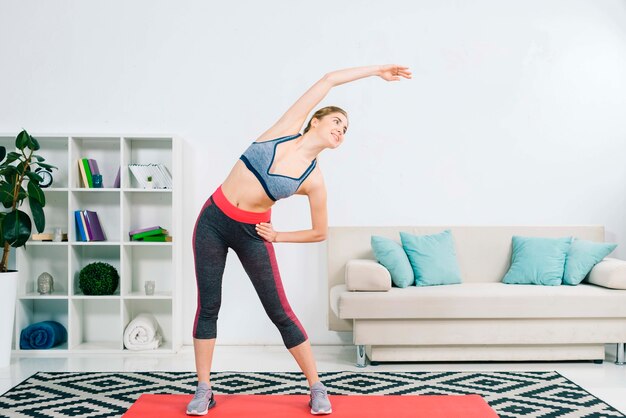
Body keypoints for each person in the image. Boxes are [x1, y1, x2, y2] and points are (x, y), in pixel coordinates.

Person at [187, 64, 412, 416]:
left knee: (279, 311)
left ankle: (317, 387)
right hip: (212, 221)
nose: (341, 130)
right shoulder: (285, 130)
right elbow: (329, 80)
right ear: (316, 121)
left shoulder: (314, 179)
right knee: (209, 305)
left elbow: (320, 232)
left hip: (253, 232)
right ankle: (204, 389)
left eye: (346, 130)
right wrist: (377, 71)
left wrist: (279, 236)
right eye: (337, 122)